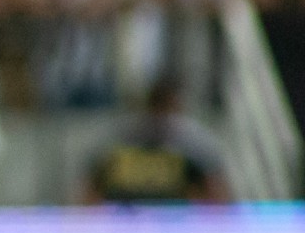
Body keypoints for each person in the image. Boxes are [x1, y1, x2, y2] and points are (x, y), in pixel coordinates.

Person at [82, 78, 229, 204]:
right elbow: (90, 190)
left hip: (177, 220)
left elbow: (215, 193)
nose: (161, 119)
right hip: (124, 220)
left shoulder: (192, 146)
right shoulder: (119, 142)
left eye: (167, 110)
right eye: (158, 109)